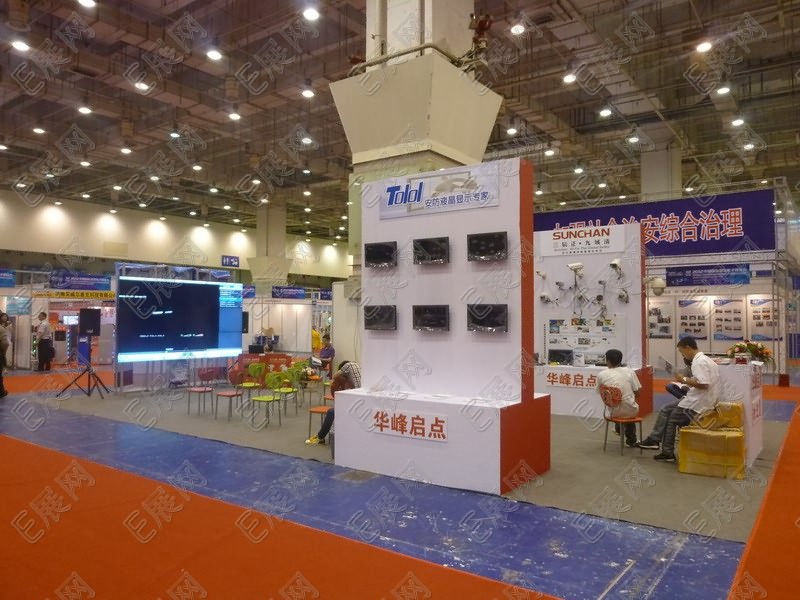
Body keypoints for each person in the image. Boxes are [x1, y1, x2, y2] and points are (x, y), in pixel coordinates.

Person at [653, 337, 720, 462]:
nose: (682, 355)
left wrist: (683, 380)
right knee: (666, 410)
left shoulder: (699, 362)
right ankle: (655, 440)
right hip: (703, 399)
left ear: (688, 348)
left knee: (671, 419)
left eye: (682, 352)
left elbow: (704, 384)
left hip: (697, 403)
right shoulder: (707, 360)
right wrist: (687, 381)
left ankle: (667, 452)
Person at [637, 357, 693, 450]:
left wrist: (684, 380)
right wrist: (680, 377)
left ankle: (656, 440)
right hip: (691, 394)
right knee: (670, 387)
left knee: (666, 411)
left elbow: (700, 384)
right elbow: (685, 378)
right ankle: (664, 448)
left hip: (695, 398)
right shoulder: (689, 368)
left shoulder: (699, 367)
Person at [305, 360, 362, 445]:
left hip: (359, 405)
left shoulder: (348, 366)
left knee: (331, 412)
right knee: (335, 411)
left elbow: (335, 375)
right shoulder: (358, 369)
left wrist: (333, 380)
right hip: (362, 402)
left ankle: (320, 438)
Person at [595, 349, 641, 447]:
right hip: (631, 410)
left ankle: (619, 429)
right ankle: (631, 440)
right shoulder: (630, 372)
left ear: (607, 360)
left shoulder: (601, 374)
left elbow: (600, 393)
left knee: (616, 404)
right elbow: (637, 393)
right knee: (628, 406)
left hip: (613, 412)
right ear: (621, 360)